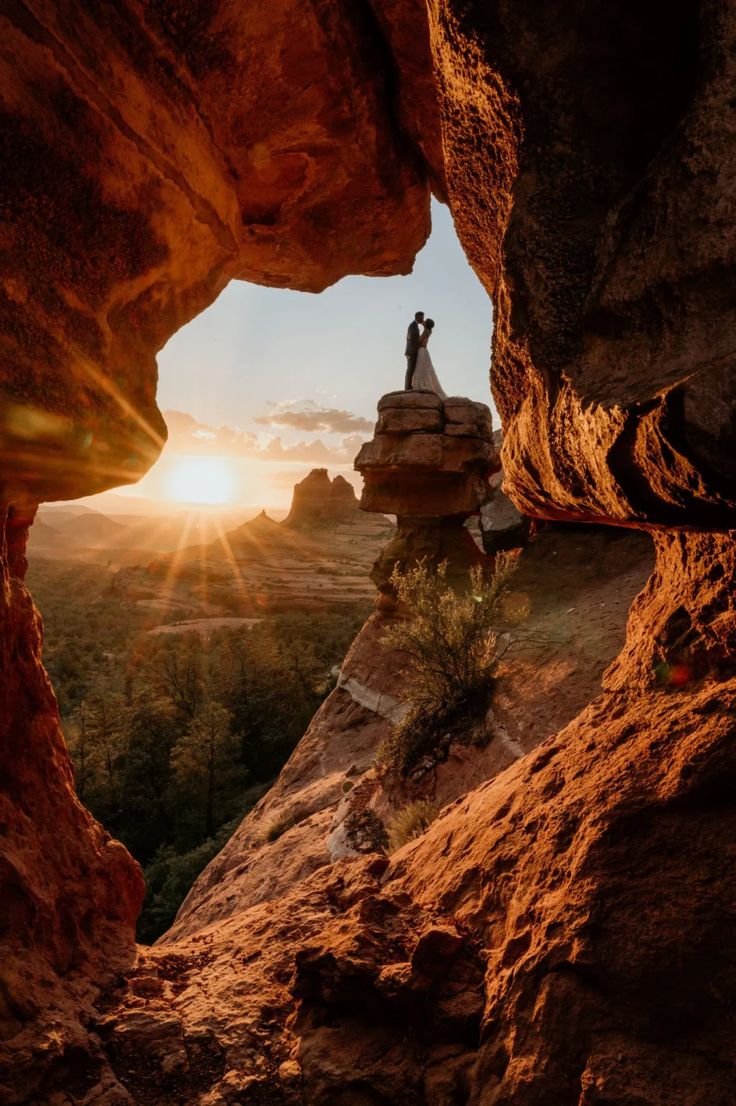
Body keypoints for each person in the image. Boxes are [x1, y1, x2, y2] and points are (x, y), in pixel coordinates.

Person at [411, 318, 446, 398]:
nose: (424, 321)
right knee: (423, 370)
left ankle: (420, 385)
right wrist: (422, 323)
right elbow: (424, 324)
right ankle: (420, 384)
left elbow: (419, 341)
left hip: (422, 351)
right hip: (424, 351)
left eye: (425, 321)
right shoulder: (428, 330)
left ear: (427, 324)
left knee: (420, 369)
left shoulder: (426, 331)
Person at [404, 310, 424, 389]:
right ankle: (407, 387)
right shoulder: (412, 325)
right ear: (417, 317)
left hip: (413, 350)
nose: (422, 319)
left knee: (412, 369)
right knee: (410, 369)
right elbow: (412, 339)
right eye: (421, 317)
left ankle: (410, 385)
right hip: (412, 351)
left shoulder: (415, 325)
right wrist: (419, 345)